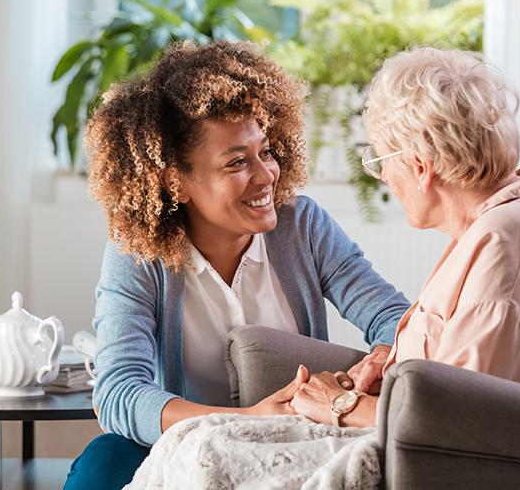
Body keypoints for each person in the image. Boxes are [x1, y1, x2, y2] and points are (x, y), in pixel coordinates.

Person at [62, 41, 411, 489]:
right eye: (237, 163)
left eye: (266, 152)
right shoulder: (138, 252)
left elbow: (395, 319)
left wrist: (379, 360)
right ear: (176, 181)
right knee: (104, 461)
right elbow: (119, 392)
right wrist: (245, 419)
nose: (266, 176)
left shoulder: (302, 226)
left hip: (291, 442)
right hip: (182, 445)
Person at [288, 46, 520, 428]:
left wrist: (342, 405)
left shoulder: (510, 247)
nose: (385, 177)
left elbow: (460, 421)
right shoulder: (511, 219)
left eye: (380, 161)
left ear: (421, 167)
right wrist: (395, 368)